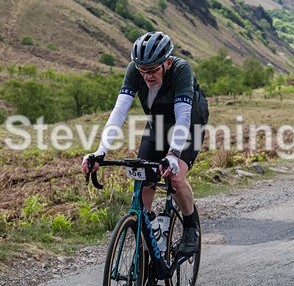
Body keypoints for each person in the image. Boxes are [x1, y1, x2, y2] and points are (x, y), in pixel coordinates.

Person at [81, 31, 209, 256]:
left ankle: (191, 227)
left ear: (167, 63)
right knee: (143, 176)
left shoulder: (181, 70)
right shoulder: (135, 70)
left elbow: (183, 117)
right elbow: (120, 111)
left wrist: (173, 153)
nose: (147, 77)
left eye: (152, 71)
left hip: (189, 125)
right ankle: (148, 232)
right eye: (142, 71)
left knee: (175, 178)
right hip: (158, 123)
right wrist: (100, 151)